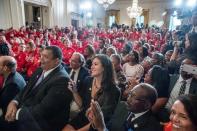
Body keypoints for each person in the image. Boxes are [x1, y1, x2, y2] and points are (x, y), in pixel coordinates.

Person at [4, 46, 73, 131]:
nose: (41, 59)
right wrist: (14, 102)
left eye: (46, 57)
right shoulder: (40, 69)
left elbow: (44, 110)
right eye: (41, 56)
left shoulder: (62, 80)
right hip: (27, 112)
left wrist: (16, 113)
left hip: (42, 124)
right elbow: (26, 89)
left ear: (57, 61)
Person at [63, 54, 120, 131]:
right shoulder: (88, 80)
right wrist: (74, 92)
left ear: (104, 67)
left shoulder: (113, 90)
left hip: (98, 125)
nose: (91, 67)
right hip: (83, 117)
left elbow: (101, 121)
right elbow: (82, 105)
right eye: (92, 64)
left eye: (95, 64)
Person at [89, 83, 162, 131]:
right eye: (129, 94)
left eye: (133, 96)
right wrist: (95, 121)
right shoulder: (122, 106)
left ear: (147, 105)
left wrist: (101, 128)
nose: (128, 98)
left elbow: (103, 127)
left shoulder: (152, 127)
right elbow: (109, 126)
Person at [0, 56, 26, 130]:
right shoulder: (11, 75)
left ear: (5, 68)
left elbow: (3, 104)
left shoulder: (13, 85)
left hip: (9, 120)